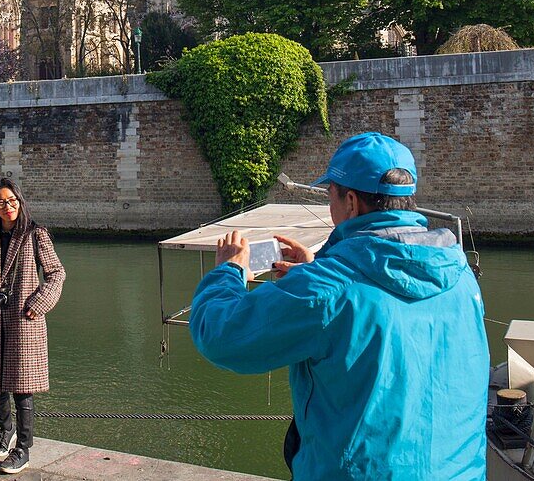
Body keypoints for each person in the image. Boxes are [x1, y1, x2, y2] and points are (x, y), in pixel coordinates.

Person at [190, 132, 488, 480]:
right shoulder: (459, 273)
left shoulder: (326, 289)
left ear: (350, 201)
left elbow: (220, 333)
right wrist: (320, 264)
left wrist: (230, 269)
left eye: (329, 194)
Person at [0, 178, 65, 475]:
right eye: (1, 202)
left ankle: (23, 448)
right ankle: (6, 428)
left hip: (23, 319)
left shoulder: (35, 234)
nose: (8, 206)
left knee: (22, 388)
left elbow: (56, 273)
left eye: (12, 200)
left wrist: (38, 304)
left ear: (20, 201)